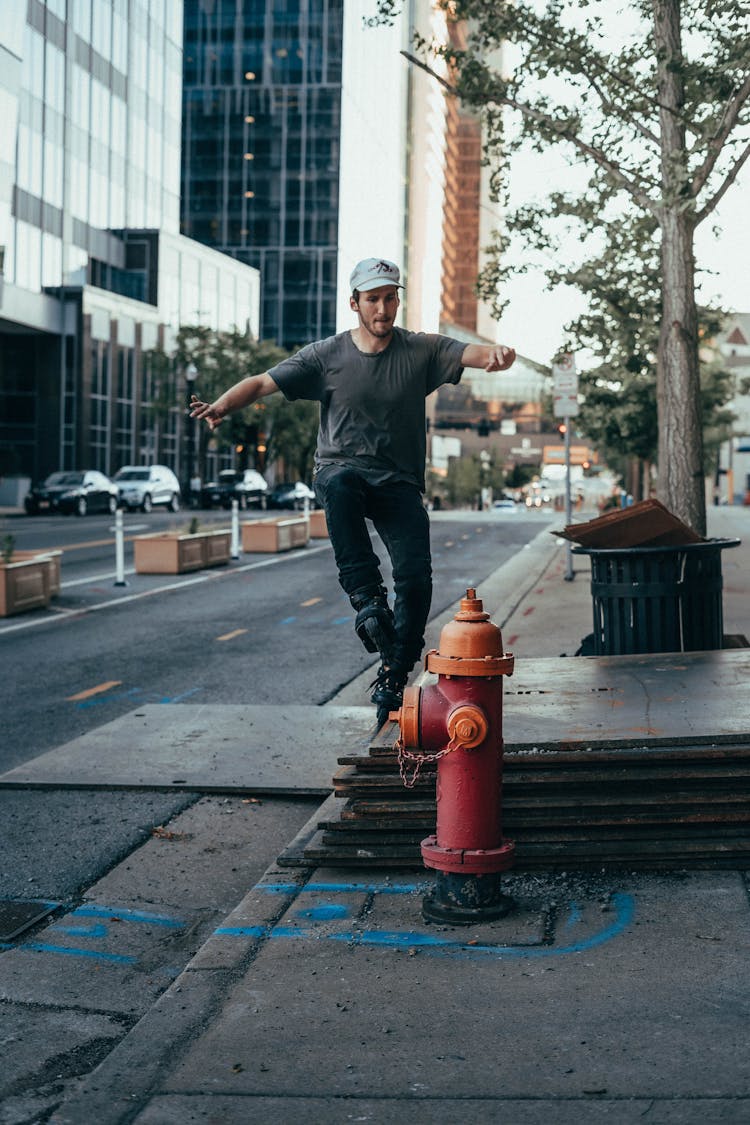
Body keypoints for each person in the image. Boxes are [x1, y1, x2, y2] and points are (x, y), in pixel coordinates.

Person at [190, 257, 516, 725]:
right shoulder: (326, 356)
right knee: (338, 483)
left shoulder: (421, 350)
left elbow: (472, 354)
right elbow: (264, 382)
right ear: (355, 304)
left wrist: (497, 356)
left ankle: (393, 669)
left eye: (390, 298)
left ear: (397, 300)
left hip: (398, 483)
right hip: (342, 471)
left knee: (417, 581)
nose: (383, 310)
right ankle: (366, 598)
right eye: (373, 300)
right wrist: (223, 403)